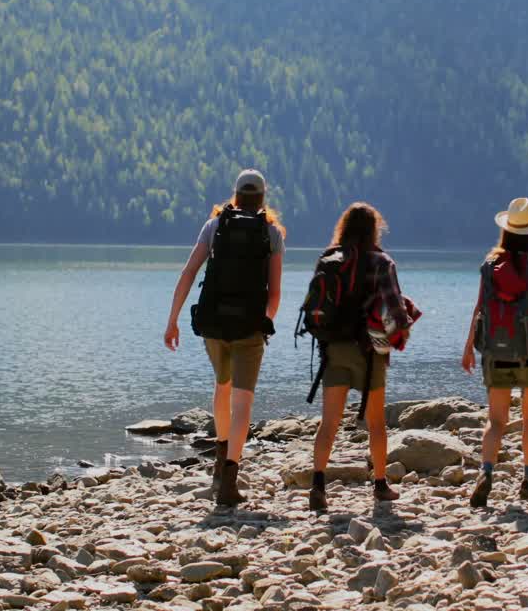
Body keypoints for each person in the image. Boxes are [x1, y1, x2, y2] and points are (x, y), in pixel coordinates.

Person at [164, 169, 285, 507]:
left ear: (235, 194)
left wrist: (172, 320)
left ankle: (219, 460)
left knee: (222, 386)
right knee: (243, 400)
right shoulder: (272, 233)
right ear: (263, 197)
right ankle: (230, 477)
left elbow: (189, 272)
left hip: (214, 324)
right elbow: (274, 294)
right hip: (249, 328)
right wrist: (264, 323)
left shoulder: (215, 225)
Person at [461, 198, 528, 507]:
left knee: (496, 421)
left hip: (495, 351)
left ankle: (486, 472)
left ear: (506, 230)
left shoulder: (490, 263)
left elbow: (480, 308)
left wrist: (469, 347)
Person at [308, 203, 413, 512]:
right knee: (377, 423)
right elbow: (396, 312)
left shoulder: (328, 260)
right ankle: (380, 485)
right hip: (370, 353)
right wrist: (400, 333)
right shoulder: (382, 262)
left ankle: (317, 486)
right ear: (373, 229)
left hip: (333, 349)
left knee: (329, 423)